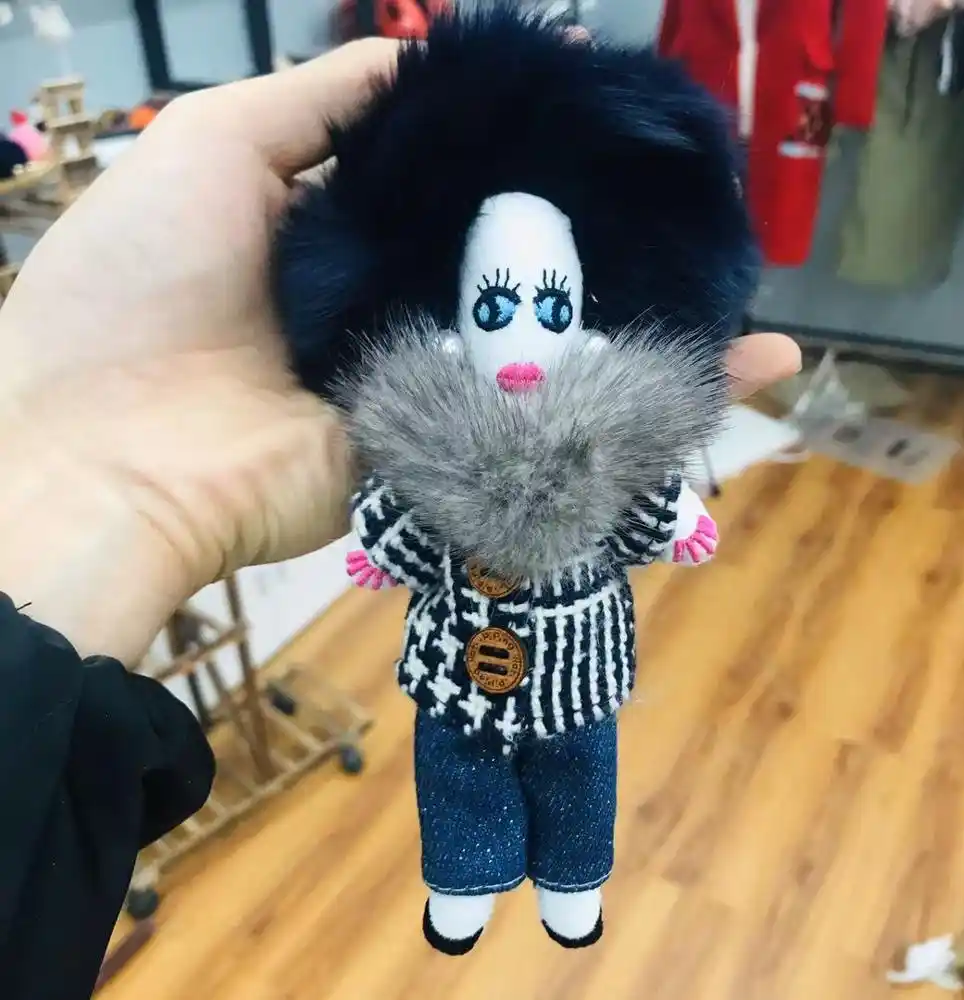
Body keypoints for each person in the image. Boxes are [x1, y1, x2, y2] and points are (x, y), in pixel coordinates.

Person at [0, 37, 801, 1000]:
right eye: (493, 310)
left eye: (551, 312)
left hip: (579, 670)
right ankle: (465, 880)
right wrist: (380, 546)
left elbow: (637, 504)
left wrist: (672, 519)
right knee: (456, 770)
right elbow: (402, 520)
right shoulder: (426, 430)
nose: (521, 338)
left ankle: (573, 879)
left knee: (581, 769)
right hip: (456, 671)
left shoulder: (610, 430)